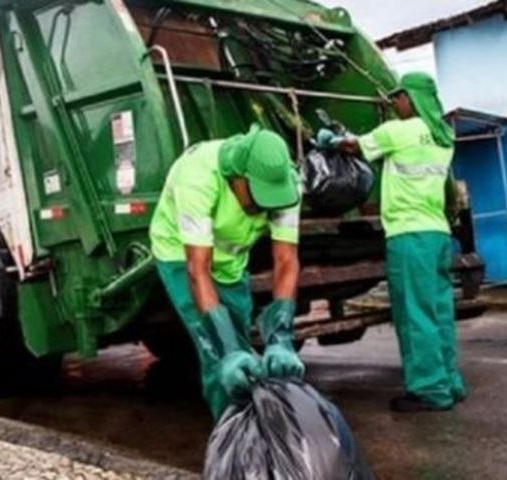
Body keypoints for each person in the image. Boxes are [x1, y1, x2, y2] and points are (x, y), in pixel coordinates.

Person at [318, 72, 465, 412]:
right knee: (439, 311)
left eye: (398, 96)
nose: (393, 102)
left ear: (412, 98)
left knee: (414, 314)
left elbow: (356, 146)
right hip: (437, 233)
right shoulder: (444, 135)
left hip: (408, 235)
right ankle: (450, 382)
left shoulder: (398, 131)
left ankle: (429, 390)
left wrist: (332, 139)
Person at [149, 123, 304, 420]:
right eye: (258, 196)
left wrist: (281, 336)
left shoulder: (288, 186)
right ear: (238, 177)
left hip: (232, 260)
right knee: (219, 352)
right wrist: (228, 348)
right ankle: (234, 434)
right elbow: (198, 269)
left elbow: (286, 260)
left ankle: (252, 421)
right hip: (182, 256)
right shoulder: (196, 177)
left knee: (241, 342)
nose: (264, 207)